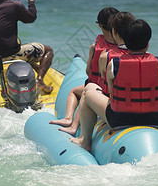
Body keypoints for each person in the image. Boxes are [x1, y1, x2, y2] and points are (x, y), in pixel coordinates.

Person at [71, 19, 158, 151]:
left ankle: (85, 140)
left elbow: (111, 93)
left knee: (88, 92)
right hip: (154, 118)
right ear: (148, 43)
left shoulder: (114, 65)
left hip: (119, 119)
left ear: (125, 42)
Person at [49, 7, 120, 135]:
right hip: (115, 93)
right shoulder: (123, 48)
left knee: (76, 91)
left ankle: (70, 121)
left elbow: (88, 71)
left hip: (98, 89)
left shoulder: (95, 47)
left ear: (99, 25)